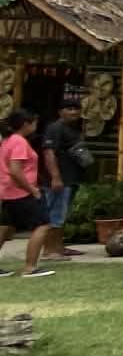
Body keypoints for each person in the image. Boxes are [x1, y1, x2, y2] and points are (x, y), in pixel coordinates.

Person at [0, 110, 54, 277]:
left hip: (7, 191)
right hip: (21, 192)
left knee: (7, 228)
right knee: (43, 225)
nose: (35, 126)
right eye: (34, 123)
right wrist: (32, 190)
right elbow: (15, 171)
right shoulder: (19, 142)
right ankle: (30, 267)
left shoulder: (8, 140)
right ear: (25, 124)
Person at [44, 100, 86, 259]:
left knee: (62, 215)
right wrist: (55, 177)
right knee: (54, 214)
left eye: (76, 109)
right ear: (60, 111)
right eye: (69, 109)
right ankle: (49, 250)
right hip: (59, 179)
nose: (74, 112)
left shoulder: (73, 129)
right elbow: (49, 153)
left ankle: (59, 247)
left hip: (71, 178)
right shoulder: (55, 128)